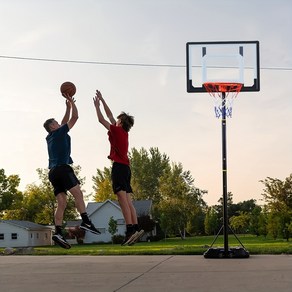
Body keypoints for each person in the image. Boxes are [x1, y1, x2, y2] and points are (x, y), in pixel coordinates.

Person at [43, 93, 100, 249]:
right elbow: (75, 117)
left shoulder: (50, 136)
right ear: (52, 127)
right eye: (55, 123)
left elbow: (63, 121)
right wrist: (72, 104)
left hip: (53, 173)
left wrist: (66, 107)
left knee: (61, 202)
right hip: (63, 169)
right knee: (78, 194)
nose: (58, 123)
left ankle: (58, 232)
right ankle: (86, 221)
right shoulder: (60, 132)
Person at [93, 89, 144, 246]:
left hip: (119, 168)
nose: (114, 120)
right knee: (128, 201)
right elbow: (110, 116)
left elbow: (102, 119)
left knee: (122, 201)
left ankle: (129, 231)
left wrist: (97, 106)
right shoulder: (123, 132)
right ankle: (135, 228)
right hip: (126, 169)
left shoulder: (116, 130)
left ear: (120, 123)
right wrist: (102, 99)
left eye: (117, 120)